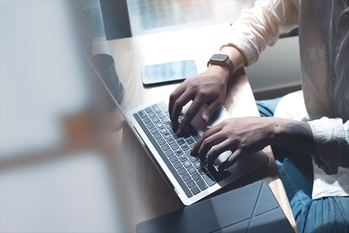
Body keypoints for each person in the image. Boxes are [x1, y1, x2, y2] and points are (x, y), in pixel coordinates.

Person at [169, 0, 349, 232]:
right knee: (222, 125)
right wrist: (220, 67)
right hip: (307, 113)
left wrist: (273, 130)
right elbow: (268, 14)